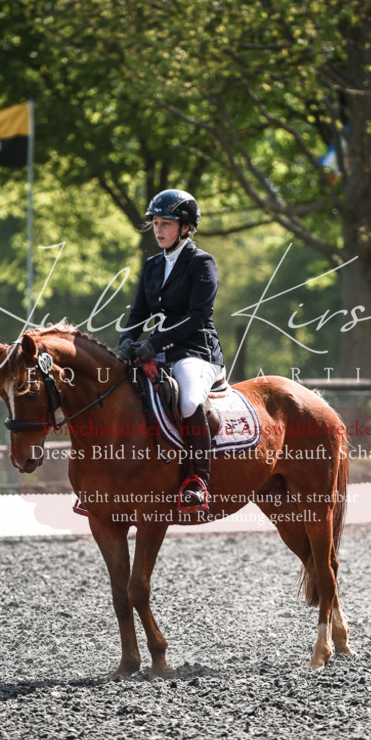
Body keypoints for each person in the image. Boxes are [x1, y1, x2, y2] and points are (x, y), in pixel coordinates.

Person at [118, 189, 224, 511]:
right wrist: (126, 341)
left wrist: (153, 344)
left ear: (185, 227)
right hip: (158, 352)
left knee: (189, 401)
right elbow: (138, 314)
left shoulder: (201, 263)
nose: (158, 229)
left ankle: (198, 480)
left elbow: (197, 317)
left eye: (166, 223)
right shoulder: (152, 265)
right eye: (155, 223)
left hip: (196, 352)